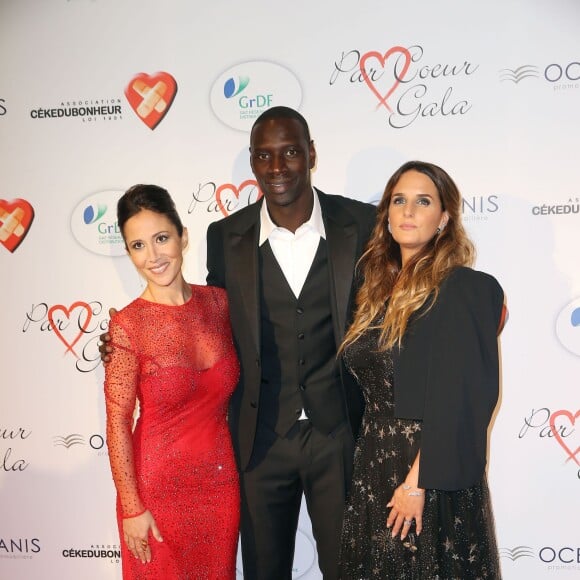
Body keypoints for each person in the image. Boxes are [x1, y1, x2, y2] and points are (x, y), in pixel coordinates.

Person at [205, 106, 376, 579]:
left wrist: (469, 306)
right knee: (263, 570)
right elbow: (208, 318)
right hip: (261, 438)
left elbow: (405, 294)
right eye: (264, 155)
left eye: (290, 153)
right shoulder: (224, 236)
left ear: (311, 154)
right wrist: (138, 339)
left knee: (350, 570)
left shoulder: (361, 223)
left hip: (338, 432)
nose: (277, 167)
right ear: (253, 163)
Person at [338, 160, 505, 579]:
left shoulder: (464, 287)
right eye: (399, 200)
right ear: (387, 215)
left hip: (429, 470)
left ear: (444, 219)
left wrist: (417, 482)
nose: (409, 211)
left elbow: (462, 397)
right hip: (374, 465)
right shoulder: (372, 291)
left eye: (423, 201)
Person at [104, 184, 240, 579]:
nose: (153, 256)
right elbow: (117, 424)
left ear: (182, 235)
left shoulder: (219, 304)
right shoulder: (127, 325)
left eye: (161, 238)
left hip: (219, 488)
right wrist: (132, 507)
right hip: (156, 492)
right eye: (138, 246)